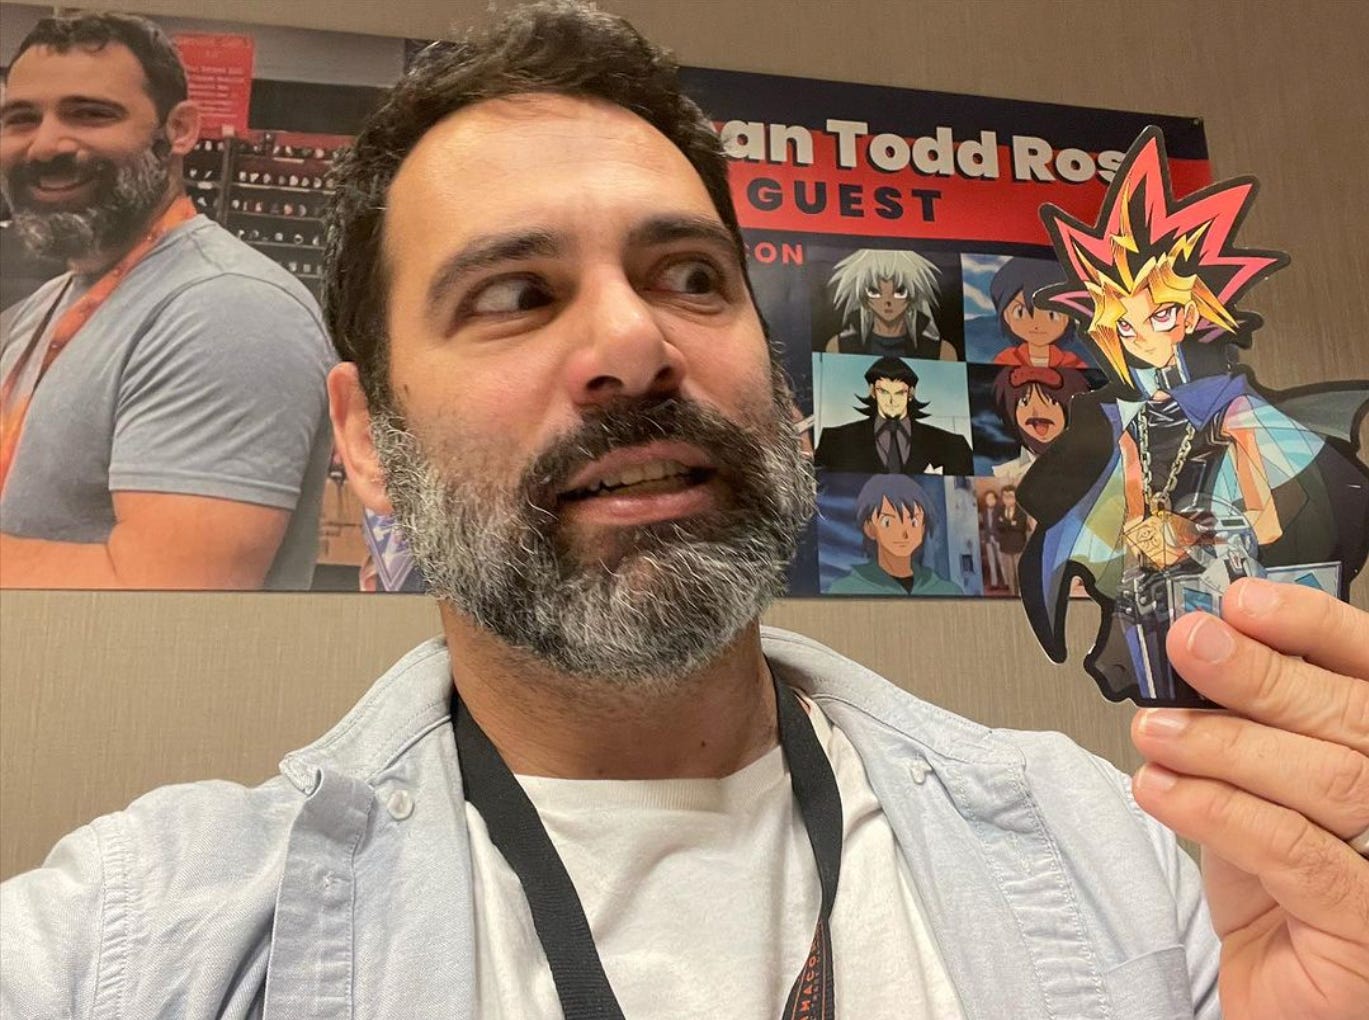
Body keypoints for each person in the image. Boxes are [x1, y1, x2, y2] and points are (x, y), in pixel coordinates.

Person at [4, 5, 1368, 1019]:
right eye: (516, 295)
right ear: (365, 442)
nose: (633, 343)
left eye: (691, 278)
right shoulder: (129, 941)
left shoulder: (1149, 873)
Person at [1023, 127, 1369, 705]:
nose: (1142, 337)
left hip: (1237, 606)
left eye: (1159, 315)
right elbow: (1135, 519)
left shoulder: (1236, 414)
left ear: (1190, 313)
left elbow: (1269, 526)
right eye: (1124, 325)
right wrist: (1145, 537)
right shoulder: (1128, 425)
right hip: (1157, 609)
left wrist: (1195, 534)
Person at [0, 12, 334, 590]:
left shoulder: (229, 311)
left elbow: (168, 594)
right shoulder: (47, 306)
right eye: (20, 119)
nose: (46, 145)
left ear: (178, 130)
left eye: (90, 114)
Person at [813, 355, 974, 475]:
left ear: (911, 393)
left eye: (899, 392)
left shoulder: (954, 446)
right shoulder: (833, 442)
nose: (891, 401)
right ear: (872, 391)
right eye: (883, 391)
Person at [828, 473, 962, 595]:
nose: (904, 533)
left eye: (913, 522)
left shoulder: (948, 591)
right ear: (869, 528)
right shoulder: (845, 590)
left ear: (923, 527)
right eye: (888, 522)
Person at [823, 247, 955, 360]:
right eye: (875, 291)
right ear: (864, 298)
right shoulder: (839, 347)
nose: (887, 301)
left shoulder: (941, 351)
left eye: (899, 291)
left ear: (912, 296)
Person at [989, 364, 1091, 485]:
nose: (1036, 412)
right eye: (1024, 402)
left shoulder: (1089, 469)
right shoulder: (1004, 473)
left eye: (1052, 400)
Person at [988, 255, 1087, 369]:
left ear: (1068, 317)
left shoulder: (1072, 362)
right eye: (1020, 312)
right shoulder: (1006, 359)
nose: (1037, 325)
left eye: (1052, 314)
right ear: (1006, 316)